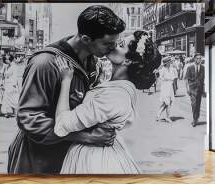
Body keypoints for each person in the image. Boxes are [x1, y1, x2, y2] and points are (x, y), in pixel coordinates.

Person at [7, 5, 126, 174]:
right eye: (107, 44)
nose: (113, 48)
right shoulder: (45, 64)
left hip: (70, 159)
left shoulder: (94, 62)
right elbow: (29, 119)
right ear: (85, 39)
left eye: (115, 43)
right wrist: (85, 136)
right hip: (39, 162)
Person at [54, 31, 161, 174]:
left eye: (121, 45)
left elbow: (61, 125)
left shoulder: (114, 96)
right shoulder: (117, 87)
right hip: (102, 150)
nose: (114, 44)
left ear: (128, 61)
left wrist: (66, 80)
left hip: (93, 159)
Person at [185, 53, 205, 127]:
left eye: (200, 58)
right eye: (197, 58)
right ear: (194, 59)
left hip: (200, 89)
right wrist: (187, 89)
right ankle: (194, 119)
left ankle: (196, 118)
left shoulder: (203, 68)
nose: (199, 60)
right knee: (194, 104)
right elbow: (186, 79)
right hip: (192, 88)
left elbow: (204, 79)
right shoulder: (190, 67)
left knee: (198, 104)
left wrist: (204, 90)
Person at [156, 56, 177, 123]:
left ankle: (158, 114)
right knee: (167, 102)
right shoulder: (162, 70)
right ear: (166, 63)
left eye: (170, 62)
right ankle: (168, 117)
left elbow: (175, 77)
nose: (170, 63)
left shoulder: (172, 69)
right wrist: (167, 79)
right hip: (165, 87)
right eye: (168, 62)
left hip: (170, 86)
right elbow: (161, 78)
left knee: (169, 102)